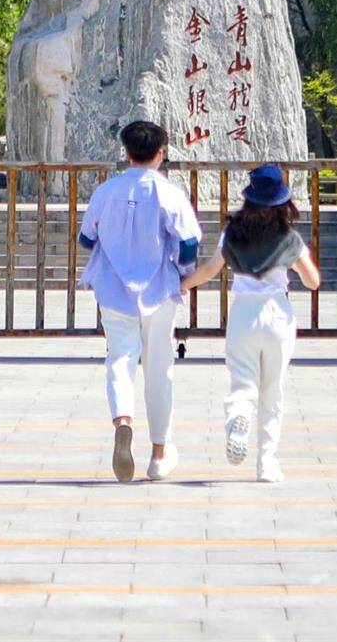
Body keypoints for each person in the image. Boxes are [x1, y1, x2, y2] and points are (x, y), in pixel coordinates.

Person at [79, 119, 202, 481]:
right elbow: (189, 243)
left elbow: (86, 239)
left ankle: (123, 420)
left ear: (126, 152)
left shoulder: (106, 191)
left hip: (113, 288)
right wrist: (183, 273)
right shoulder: (169, 194)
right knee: (159, 369)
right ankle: (160, 454)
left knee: (120, 358)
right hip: (158, 290)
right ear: (161, 154)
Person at [182, 162, 321, 483]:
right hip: (277, 315)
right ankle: (267, 463)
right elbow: (312, 281)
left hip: (243, 314)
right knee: (272, 391)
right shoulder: (289, 238)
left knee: (242, 383)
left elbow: (209, 270)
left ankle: (238, 417)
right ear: (282, 201)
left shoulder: (232, 233)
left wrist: (182, 285)